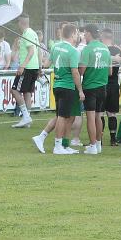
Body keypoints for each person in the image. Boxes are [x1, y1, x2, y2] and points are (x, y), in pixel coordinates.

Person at [39, 23, 84, 155]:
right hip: (67, 86)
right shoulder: (73, 51)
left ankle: (63, 145)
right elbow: (75, 72)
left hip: (57, 85)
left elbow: (46, 64)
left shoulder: (55, 46)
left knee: (63, 116)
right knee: (62, 117)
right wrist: (80, 90)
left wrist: (40, 69)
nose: (77, 36)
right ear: (73, 34)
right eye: (76, 33)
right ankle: (58, 146)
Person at [78, 25, 109, 155]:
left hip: (90, 87)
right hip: (103, 86)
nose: (84, 35)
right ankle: (98, 144)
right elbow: (110, 70)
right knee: (98, 116)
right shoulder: (105, 48)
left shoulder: (87, 49)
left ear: (89, 33)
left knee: (90, 117)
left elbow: (81, 70)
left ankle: (92, 146)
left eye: (85, 33)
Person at [10, 15, 40, 129]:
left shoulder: (27, 33)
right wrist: (40, 67)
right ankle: (26, 119)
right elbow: (38, 51)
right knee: (27, 92)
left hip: (27, 67)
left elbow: (31, 51)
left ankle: (26, 116)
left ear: (20, 23)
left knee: (14, 90)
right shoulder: (33, 33)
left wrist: (22, 66)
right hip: (33, 67)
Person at [102, 28, 121, 146]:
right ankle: (113, 139)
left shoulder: (100, 49)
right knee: (112, 113)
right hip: (114, 84)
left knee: (100, 113)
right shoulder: (117, 50)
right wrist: (113, 58)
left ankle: (98, 140)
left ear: (102, 37)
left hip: (102, 84)